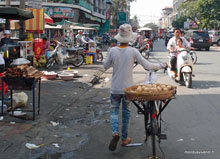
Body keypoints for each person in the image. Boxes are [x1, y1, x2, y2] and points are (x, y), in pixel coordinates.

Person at [104, 24, 167, 151]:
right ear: (129, 38)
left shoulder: (113, 50)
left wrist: (110, 57)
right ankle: (124, 138)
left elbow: (105, 66)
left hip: (115, 88)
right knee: (126, 113)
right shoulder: (133, 51)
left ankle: (115, 133)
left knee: (114, 111)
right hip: (128, 90)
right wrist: (162, 64)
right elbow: (148, 65)